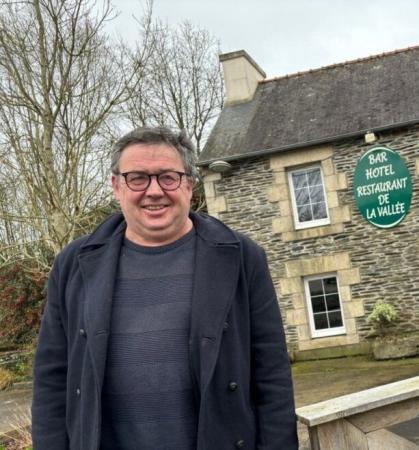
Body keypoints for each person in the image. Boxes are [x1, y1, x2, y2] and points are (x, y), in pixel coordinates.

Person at [31, 127, 298, 450]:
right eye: (138, 178)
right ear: (117, 186)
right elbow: (51, 380)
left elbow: (272, 375)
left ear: (189, 183)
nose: (154, 190)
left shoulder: (241, 257)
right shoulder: (73, 265)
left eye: (168, 177)